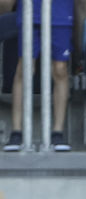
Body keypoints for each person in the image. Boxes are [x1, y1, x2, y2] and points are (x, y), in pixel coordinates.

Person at [3, 0, 72, 151]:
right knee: (24, 67)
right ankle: (16, 132)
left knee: (60, 69)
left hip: (60, 11)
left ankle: (57, 132)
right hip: (29, 11)